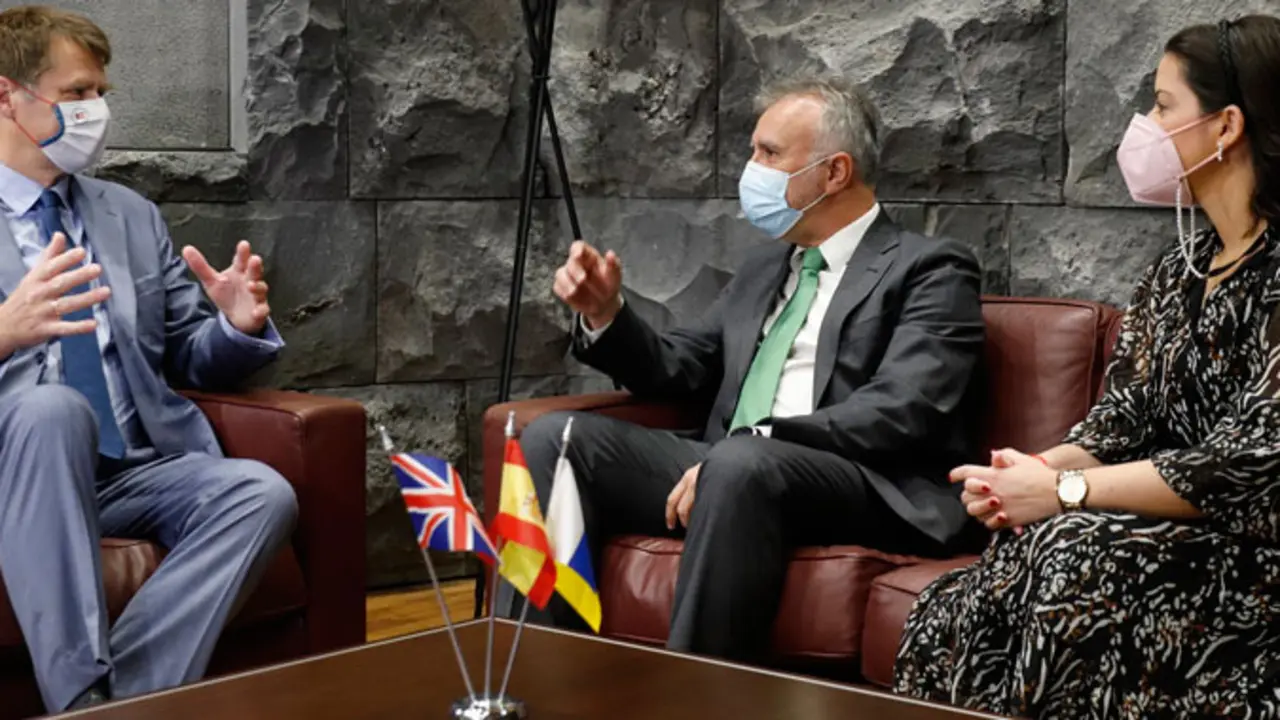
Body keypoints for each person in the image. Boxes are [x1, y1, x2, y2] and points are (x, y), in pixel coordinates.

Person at [497, 75, 986, 661]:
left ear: (835, 172)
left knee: (738, 460)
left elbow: (903, 407)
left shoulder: (931, 267)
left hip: (859, 479)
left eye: (769, 154)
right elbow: (680, 367)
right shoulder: (766, 267)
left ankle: (697, 694)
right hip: (733, 469)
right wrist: (606, 314)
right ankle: (534, 673)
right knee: (556, 439)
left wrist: (763, 438)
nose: (751, 170)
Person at [894, 14, 1280, 718]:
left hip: (1255, 558)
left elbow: (1245, 464)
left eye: (1163, 106)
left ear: (1226, 126)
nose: (1145, 129)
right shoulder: (1177, 271)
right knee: (955, 600)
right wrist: (1027, 476)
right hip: (1160, 536)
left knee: (1073, 552)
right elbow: (1118, 425)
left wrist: (1063, 492)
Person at [0, 6, 297, 712]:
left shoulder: (129, 214)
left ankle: (114, 703)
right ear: (7, 97)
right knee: (51, 411)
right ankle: (79, 694)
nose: (96, 111)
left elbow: (187, 356)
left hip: (133, 467)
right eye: (76, 93)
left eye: (101, 92)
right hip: (20, 466)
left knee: (260, 493)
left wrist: (235, 326)